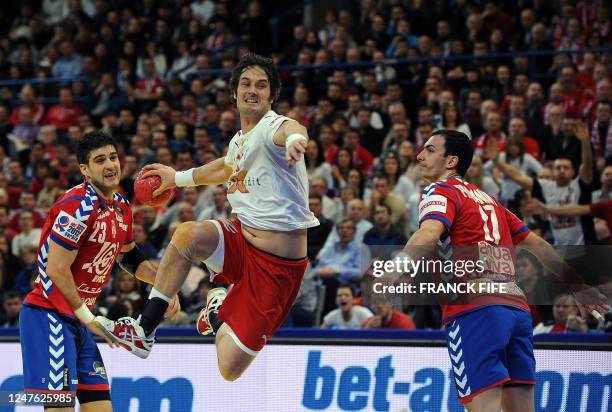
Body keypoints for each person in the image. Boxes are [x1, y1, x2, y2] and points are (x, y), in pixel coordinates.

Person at [95, 53, 319, 382]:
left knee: (228, 368)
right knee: (187, 234)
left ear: (271, 96)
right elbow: (226, 166)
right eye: (245, 84)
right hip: (242, 243)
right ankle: (144, 330)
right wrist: (178, 178)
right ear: (234, 93)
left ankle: (217, 309)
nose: (252, 90)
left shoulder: (273, 127)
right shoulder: (240, 140)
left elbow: (292, 129)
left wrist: (298, 139)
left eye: (261, 85)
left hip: (276, 270)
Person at [395, 129, 605, 410]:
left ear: (451, 162)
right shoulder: (490, 201)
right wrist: (578, 286)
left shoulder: (439, 190)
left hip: (475, 310)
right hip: (516, 311)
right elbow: (539, 245)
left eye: (430, 150)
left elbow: (429, 233)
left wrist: (393, 269)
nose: (420, 155)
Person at [19, 131, 178, 410]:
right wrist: (88, 317)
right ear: (85, 169)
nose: (110, 165)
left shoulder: (121, 206)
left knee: (102, 406)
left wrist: (163, 286)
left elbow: (128, 257)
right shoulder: (78, 205)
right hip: (50, 316)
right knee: (59, 406)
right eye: (100, 160)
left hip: (81, 319)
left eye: (113, 157)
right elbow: (56, 268)